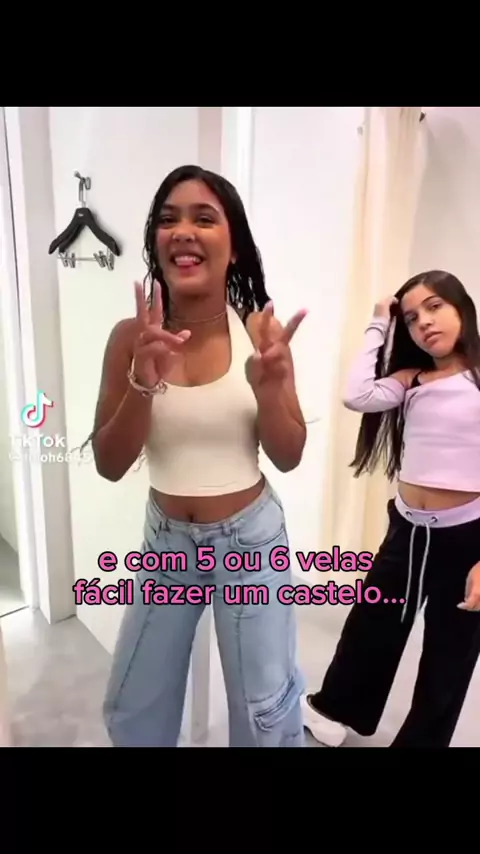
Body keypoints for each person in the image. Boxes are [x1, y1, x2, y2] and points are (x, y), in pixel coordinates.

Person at [86, 164, 308, 747]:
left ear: (233, 248)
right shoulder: (129, 337)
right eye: (168, 220)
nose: (182, 231)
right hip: (166, 544)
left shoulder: (260, 332)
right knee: (132, 709)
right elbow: (109, 463)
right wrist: (142, 381)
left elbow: (289, 455)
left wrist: (270, 389)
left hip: (252, 543)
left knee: (263, 714)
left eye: (204, 219)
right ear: (156, 243)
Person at [302, 270, 480, 749]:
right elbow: (356, 395)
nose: (424, 323)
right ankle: (333, 709)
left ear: (462, 308)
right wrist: (379, 322)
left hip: (467, 538)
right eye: (413, 318)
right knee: (371, 624)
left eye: (435, 307)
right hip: (407, 528)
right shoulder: (411, 380)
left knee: (450, 651)